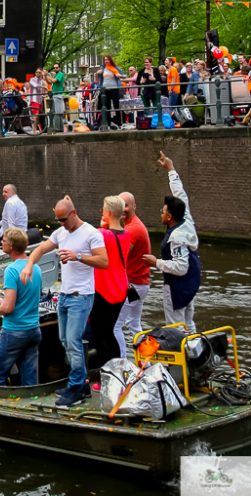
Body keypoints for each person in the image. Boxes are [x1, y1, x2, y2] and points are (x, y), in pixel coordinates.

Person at [20, 195, 108, 407]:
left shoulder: (91, 234)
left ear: (73, 213)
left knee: (74, 342)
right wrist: (29, 264)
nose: (61, 224)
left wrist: (78, 256)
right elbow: (40, 249)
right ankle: (82, 384)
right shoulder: (61, 233)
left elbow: (104, 261)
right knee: (64, 340)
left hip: (82, 296)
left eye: (63, 220)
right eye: (57, 220)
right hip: (66, 295)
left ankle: (76, 387)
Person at [143, 152, 201, 332]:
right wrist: (171, 169)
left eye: (162, 211)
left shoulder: (176, 237)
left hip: (177, 287)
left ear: (169, 217)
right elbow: (180, 194)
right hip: (192, 282)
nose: (160, 213)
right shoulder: (186, 218)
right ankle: (194, 354)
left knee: (175, 327)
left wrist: (156, 262)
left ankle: (181, 357)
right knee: (189, 323)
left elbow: (181, 267)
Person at [0, 228, 42, 386]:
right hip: (33, 330)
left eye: (3, 240)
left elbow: (8, 308)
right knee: (29, 378)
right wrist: (3, 301)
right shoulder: (34, 268)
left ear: (11, 246)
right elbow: (26, 297)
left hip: (14, 331)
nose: (1, 243)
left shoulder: (11, 270)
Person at [88, 196, 130, 368]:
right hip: (121, 288)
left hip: (104, 289)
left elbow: (87, 236)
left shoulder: (102, 234)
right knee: (109, 331)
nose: (102, 212)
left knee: (99, 333)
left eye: (103, 209)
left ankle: (106, 369)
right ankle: (117, 367)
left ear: (109, 212)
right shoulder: (127, 235)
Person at [113, 190, 152, 357]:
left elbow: (119, 256)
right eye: (121, 205)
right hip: (141, 284)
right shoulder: (132, 225)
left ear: (134, 206)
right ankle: (147, 363)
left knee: (116, 325)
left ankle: (121, 365)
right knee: (134, 324)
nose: (124, 209)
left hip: (134, 285)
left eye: (127, 205)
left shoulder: (132, 230)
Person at [99, 54, 123, 129]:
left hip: (114, 89)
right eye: (105, 60)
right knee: (107, 107)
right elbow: (100, 79)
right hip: (105, 89)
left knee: (116, 106)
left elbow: (121, 74)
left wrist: (119, 75)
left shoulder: (115, 68)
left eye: (107, 59)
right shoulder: (103, 69)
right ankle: (108, 124)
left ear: (110, 60)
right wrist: (98, 74)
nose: (106, 61)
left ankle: (119, 123)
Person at [47, 63, 65, 133]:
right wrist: (46, 76)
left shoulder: (60, 74)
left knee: (57, 113)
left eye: (57, 67)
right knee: (58, 113)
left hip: (58, 95)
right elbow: (49, 82)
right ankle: (60, 129)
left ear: (59, 68)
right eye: (54, 67)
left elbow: (53, 81)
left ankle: (57, 129)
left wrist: (47, 75)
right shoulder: (56, 75)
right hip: (56, 95)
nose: (55, 69)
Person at [28, 68, 48, 133]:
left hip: (39, 100)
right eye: (37, 72)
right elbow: (35, 86)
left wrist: (44, 92)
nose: (38, 73)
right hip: (34, 99)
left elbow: (42, 90)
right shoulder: (32, 79)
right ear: (35, 73)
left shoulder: (41, 81)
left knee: (38, 116)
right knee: (35, 116)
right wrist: (43, 87)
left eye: (39, 72)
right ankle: (34, 131)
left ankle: (37, 130)